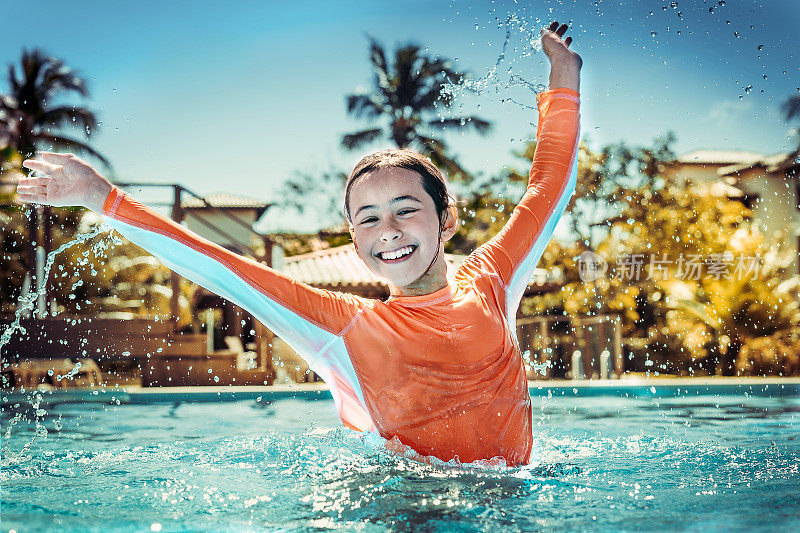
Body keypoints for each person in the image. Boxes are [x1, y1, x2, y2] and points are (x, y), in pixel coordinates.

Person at [18, 22, 581, 466]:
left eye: (406, 210)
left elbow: (548, 187)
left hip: (510, 503)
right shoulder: (344, 325)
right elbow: (221, 268)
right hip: (407, 508)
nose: (387, 231)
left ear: (447, 218)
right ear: (354, 238)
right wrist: (103, 197)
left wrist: (563, 76)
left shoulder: (491, 281)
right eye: (367, 219)